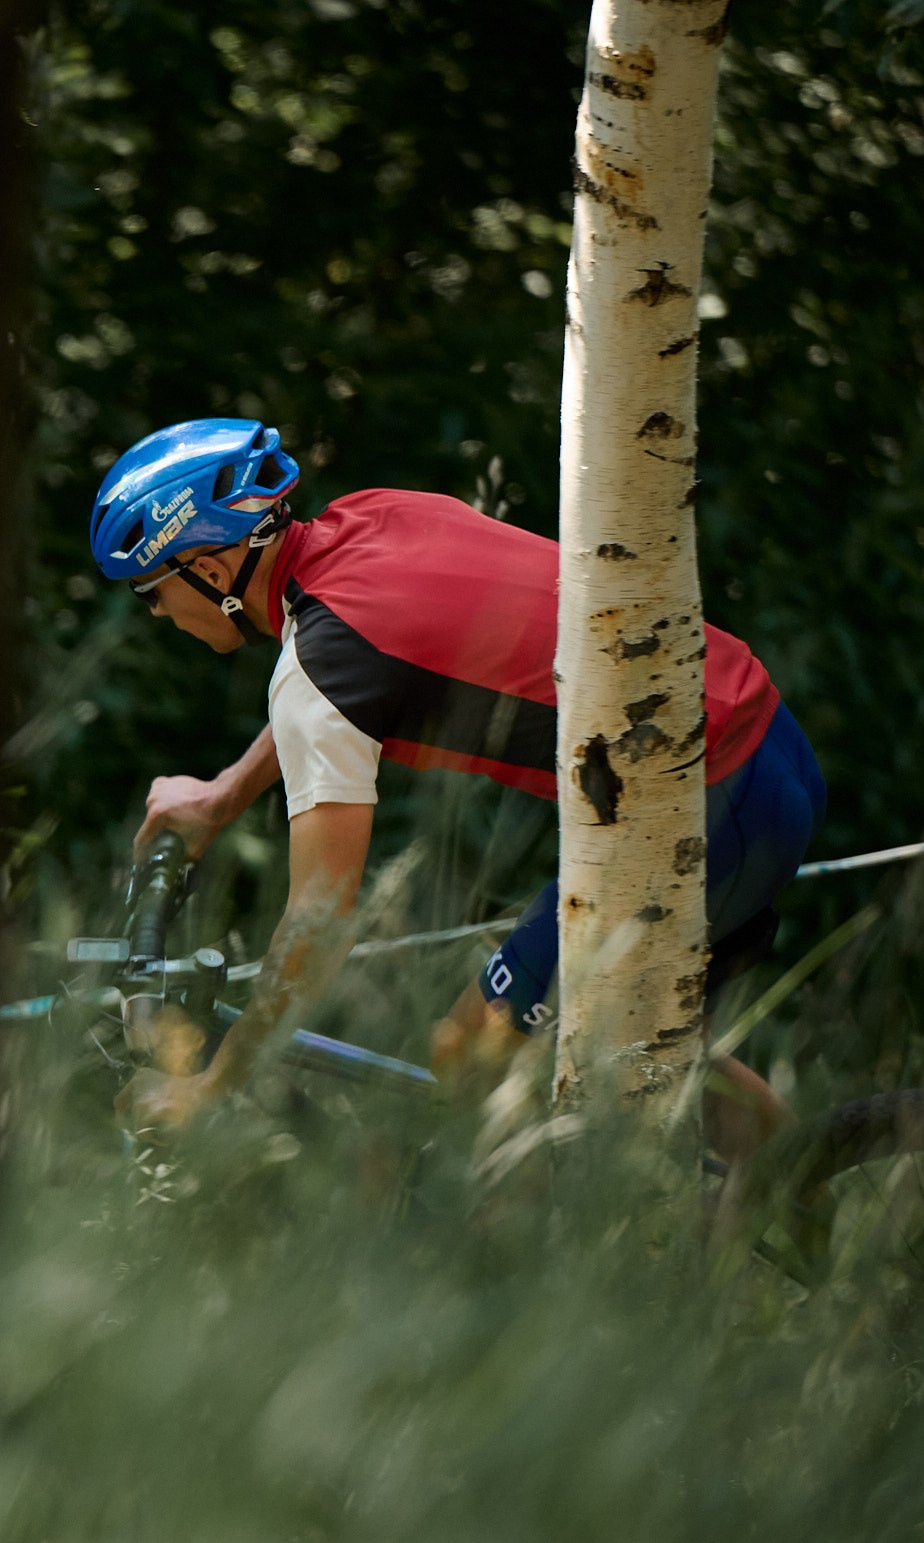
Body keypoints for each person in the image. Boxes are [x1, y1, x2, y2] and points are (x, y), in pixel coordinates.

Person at [91, 417, 826, 1159]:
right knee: (639, 1049)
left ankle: (575, 1260)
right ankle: (812, 1190)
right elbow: (338, 679)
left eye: (152, 593)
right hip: (769, 745)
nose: (156, 612)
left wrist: (209, 1086)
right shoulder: (372, 514)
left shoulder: (318, 675)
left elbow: (317, 924)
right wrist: (224, 796)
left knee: (469, 1066)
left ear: (210, 574)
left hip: (701, 803)